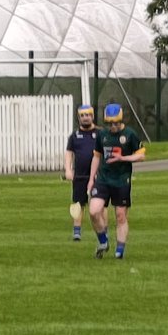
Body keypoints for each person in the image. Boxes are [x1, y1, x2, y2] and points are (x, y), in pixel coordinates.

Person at [88, 103, 146, 259]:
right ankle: (103, 241)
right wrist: (91, 178)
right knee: (94, 211)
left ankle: (119, 251)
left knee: (120, 216)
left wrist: (123, 158)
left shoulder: (129, 134)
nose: (112, 126)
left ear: (121, 120)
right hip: (103, 179)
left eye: (116, 123)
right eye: (109, 123)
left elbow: (141, 155)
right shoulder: (102, 135)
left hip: (121, 180)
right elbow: (96, 156)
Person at [64, 103, 99, 240]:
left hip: (97, 176)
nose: (85, 118)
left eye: (88, 115)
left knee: (99, 204)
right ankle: (77, 231)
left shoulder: (100, 133)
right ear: (78, 118)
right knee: (78, 204)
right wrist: (68, 169)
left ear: (93, 116)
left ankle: (103, 230)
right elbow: (69, 153)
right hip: (79, 175)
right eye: (82, 115)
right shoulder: (74, 136)